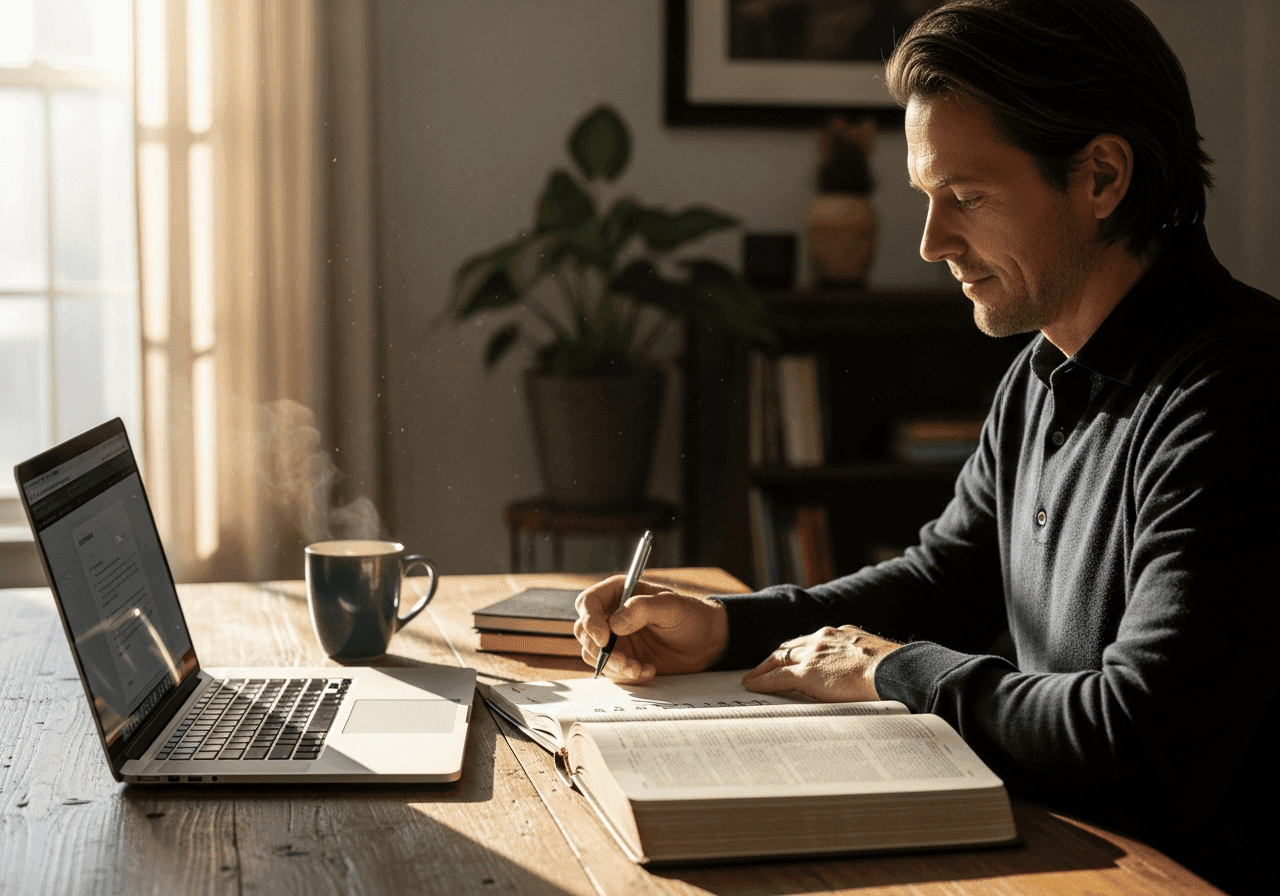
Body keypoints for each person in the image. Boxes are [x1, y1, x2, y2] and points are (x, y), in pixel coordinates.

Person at [574, 1, 1280, 892]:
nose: (932, 242)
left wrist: (890, 670)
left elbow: (1137, 745)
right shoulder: (1042, 372)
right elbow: (942, 581)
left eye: (966, 197)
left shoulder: (1241, 391)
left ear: (1102, 176)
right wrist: (726, 626)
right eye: (926, 197)